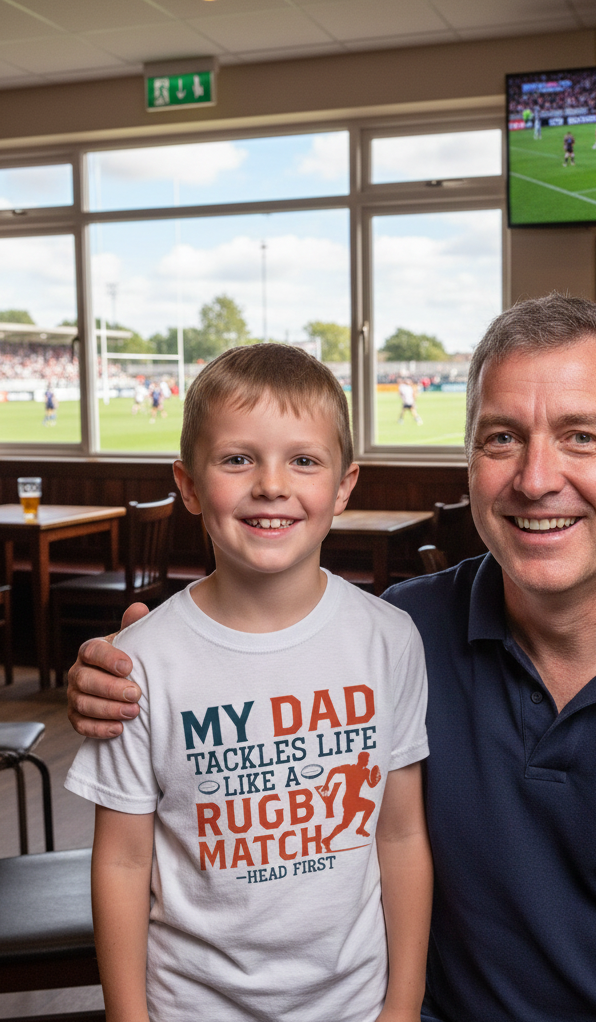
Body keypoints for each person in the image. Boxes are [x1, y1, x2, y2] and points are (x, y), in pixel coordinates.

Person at [68, 297, 596, 1021]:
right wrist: (117, 670)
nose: (535, 478)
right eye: (501, 439)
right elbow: (243, 650)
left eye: (580, 436)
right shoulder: (396, 634)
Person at [64, 343, 432, 1022]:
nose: (270, 484)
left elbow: (401, 836)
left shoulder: (389, 641)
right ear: (190, 483)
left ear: (344, 484)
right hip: (192, 1007)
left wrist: (402, 1007)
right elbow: (120, 863)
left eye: (303, 459)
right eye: (238, 458)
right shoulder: (137, 663)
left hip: (354, 1004)